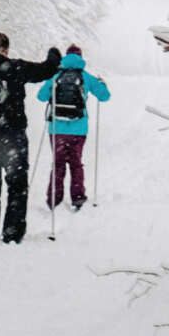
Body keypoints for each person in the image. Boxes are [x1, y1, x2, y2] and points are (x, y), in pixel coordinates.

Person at [0, 32, 60, 244]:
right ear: (5, 49)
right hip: (12, 134)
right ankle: (12, 231)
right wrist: (54, 55)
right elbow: (46, 69)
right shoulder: (15, 67)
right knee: (17, 184)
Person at [37, 44, 111, 211]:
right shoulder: (86, 77)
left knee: (58, 164)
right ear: (80, 57)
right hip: (78, 129)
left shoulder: (56, 77)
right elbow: (105, 97)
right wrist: (102, 84)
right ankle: (77, 197)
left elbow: (41, 96)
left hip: (57, 129)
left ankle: (54, 198)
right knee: (76, 163)